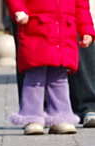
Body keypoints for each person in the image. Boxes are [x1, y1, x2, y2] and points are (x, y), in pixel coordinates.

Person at [6, 0, 95, 135]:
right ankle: (32, 117)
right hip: (35, 27)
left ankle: (61, 116)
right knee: (35, 76)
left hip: (64, 31)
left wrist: (86, 30)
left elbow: (81, 5)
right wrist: (18, 10)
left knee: (59, 78)